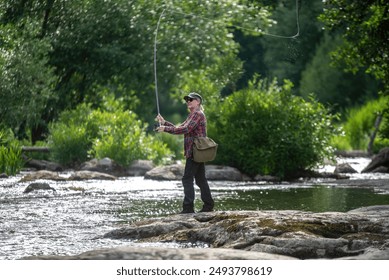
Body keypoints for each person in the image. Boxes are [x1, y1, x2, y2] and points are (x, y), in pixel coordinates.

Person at [156, 92, 214, 214]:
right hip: (196, 151)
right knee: (200, 179)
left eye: (190, 99)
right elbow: (180, 127)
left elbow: (185, 129)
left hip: (195, 151)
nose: (188, 101)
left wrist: (165, 129)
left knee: (187, 179)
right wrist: (165, 123)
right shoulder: (192, 115)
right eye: (187, 100)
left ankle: (188, 208)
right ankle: (208, 206)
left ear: (198, 102)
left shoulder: (197, 114)